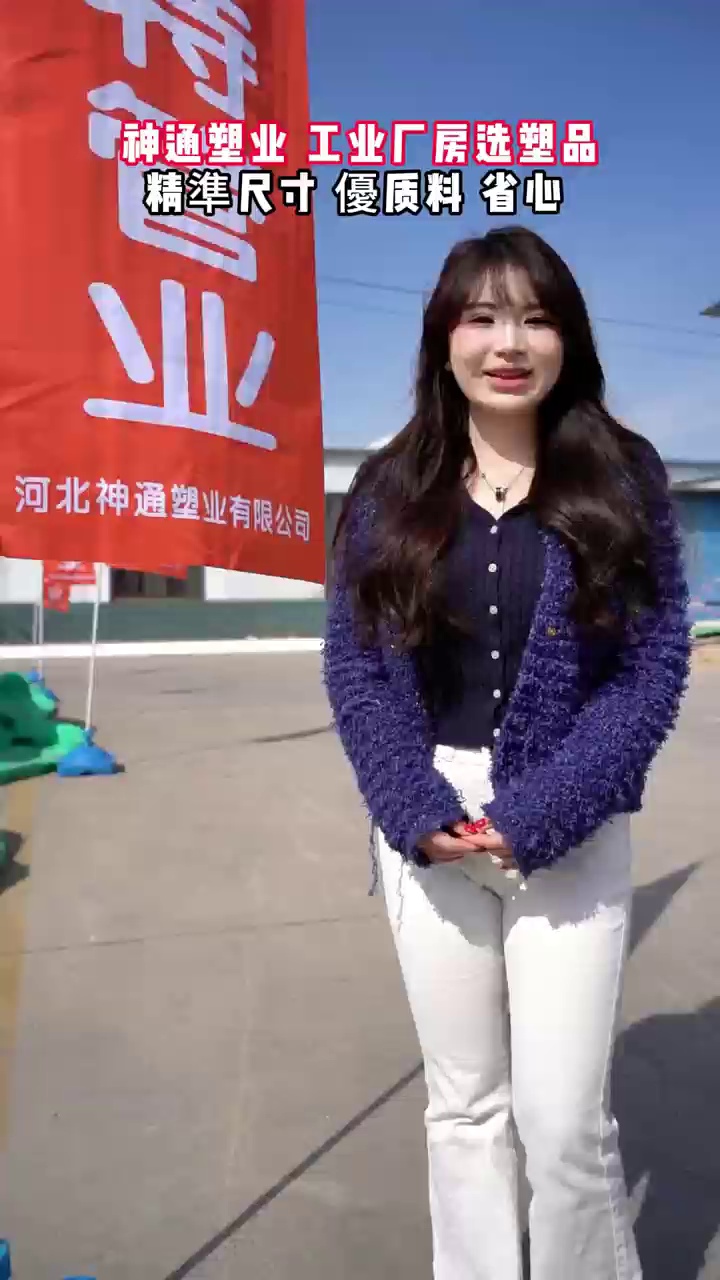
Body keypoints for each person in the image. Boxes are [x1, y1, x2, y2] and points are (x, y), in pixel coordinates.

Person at [321, 225, 692, 1280]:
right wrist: (410, 799)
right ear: (444, 338)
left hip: (570, 809)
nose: (509, 343)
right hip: (428, 815)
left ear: (569, 338)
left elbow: (652, 665)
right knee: (465, 1105)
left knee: (564, 1118)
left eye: (536, 317)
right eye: (481, 317)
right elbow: (356, 662)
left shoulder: (623, 473)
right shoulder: (390, 483)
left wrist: (546, 809)